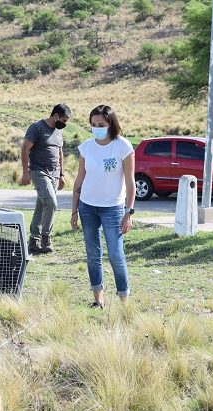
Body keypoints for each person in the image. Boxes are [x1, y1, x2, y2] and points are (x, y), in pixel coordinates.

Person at [70, 105, 135, 309]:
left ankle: (124, 301)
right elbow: (80, 179)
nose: (97, 128)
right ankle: (98, 300)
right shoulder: (86, 147)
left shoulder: (122, 147)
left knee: (116, 254)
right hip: (87, 207)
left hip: (113, 209)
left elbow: (130, 182)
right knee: (93, 255)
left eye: (101, 125)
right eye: (93, 125)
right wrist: (74, 210)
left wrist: (128, 212)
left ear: (111, 124)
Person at [20, 104, 72, 254]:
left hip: (55, 174)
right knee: (51, 202)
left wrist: (62, 174)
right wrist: (25, 172)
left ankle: (33, 241)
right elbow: (25, 148)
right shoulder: (37, 127)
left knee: (41, 206)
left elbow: (60, 153)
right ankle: (46, 237)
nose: (65, 123)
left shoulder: (58, 132)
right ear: (55, 115)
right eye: (63, 119)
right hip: (39, 171)